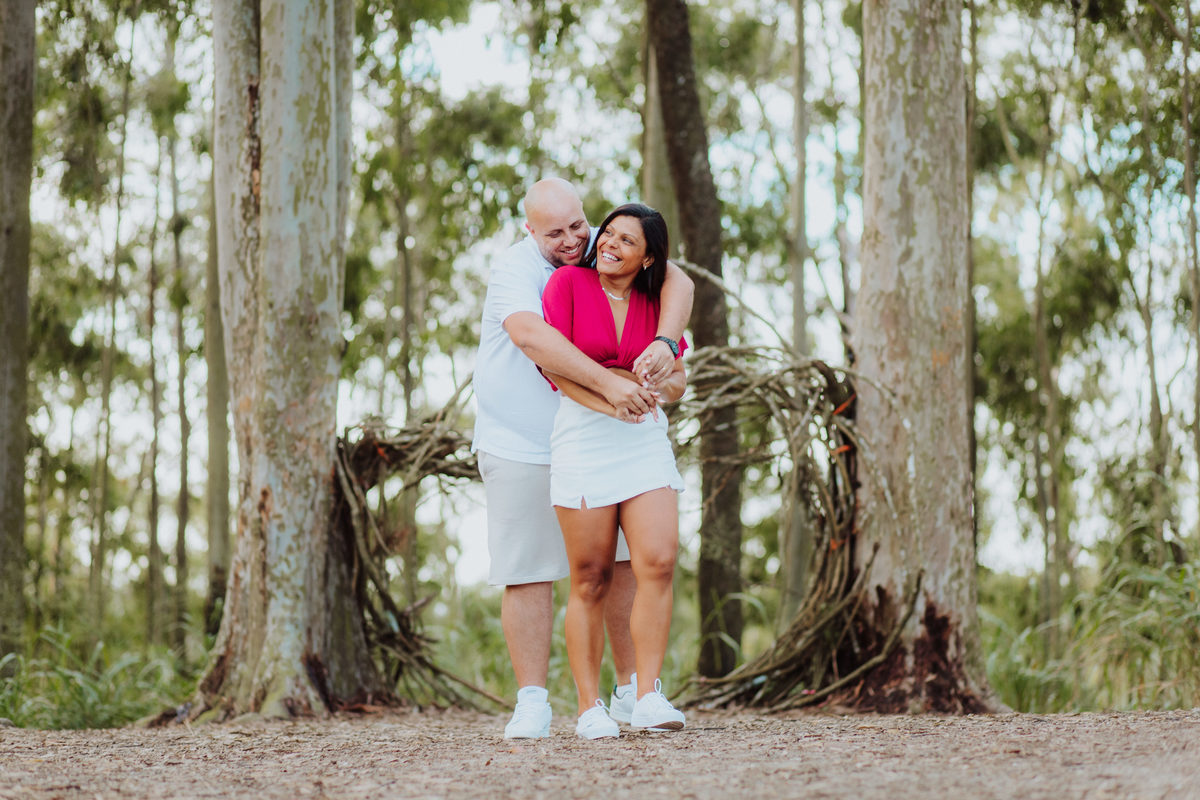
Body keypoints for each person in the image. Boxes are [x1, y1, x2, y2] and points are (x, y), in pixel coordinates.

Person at [472, 179, 694, 738]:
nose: (576, 240)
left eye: (579, 225)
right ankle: (533, 702)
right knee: (529, 570)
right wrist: (614, 389)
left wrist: (666, 347)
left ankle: (632, 691)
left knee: (624, 565)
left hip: (617, 443)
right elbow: (535, 340)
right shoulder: (519, 270)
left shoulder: (605, 242)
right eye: (556, 232)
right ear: (529, 231)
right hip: (523, 440)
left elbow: (677, 278)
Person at [540, 203, 688, 740]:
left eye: (627, 241)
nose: (609, 244)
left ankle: (646, 694)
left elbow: (678, 383)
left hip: (643, 438)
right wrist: (611, 399)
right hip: (583, 436)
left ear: (649, 257)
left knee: (658, 560)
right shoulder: (567, 286)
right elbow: (554, 367)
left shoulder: (656, 304)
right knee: (591, 577)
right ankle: (588, 706)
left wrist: (660, 375)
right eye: (608, 234)